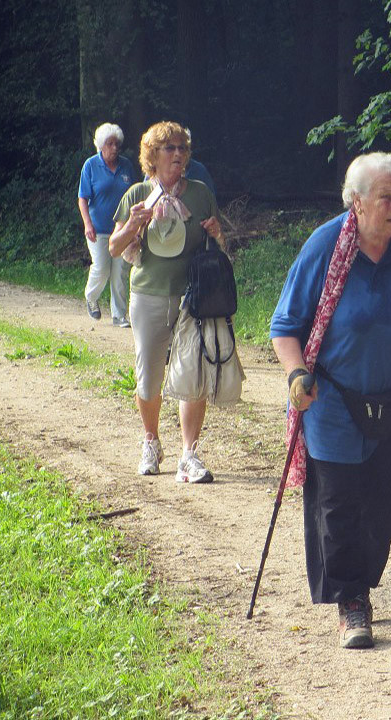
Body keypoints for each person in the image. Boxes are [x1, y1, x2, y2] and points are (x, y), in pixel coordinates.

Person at [270, 153, 391, 650]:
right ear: (357, 202)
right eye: (387, 198)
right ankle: (351, 599)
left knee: (390, 492)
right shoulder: (327, 248)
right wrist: (296, 374)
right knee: (339, 503)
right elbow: (285, 327)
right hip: (331, 396)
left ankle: (360, 578)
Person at [108, 121, 225, 483]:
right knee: (149, 377)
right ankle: (151, 441)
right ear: (152, 155)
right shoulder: (137, 194)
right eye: (170, 148)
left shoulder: (201, 194)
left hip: (194, 297)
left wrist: (218, 235)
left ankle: (189, 455)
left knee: (192, 374)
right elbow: (114, 246)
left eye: (182, 148)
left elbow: (217, 246)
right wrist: (132, 225)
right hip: (148, 294)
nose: (178, 154)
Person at [78, 123, 136, 327]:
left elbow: (134, 196)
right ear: (101, 145)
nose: (115, 148)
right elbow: (83, 198)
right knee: (102, 268)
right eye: (110, 144)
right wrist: (87, 224)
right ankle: (91, 297)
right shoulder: (91, 165)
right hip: (98, 228)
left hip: (122, 229)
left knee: (120, 272)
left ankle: (119, 315)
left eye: (117, 144)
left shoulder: (127, 166)